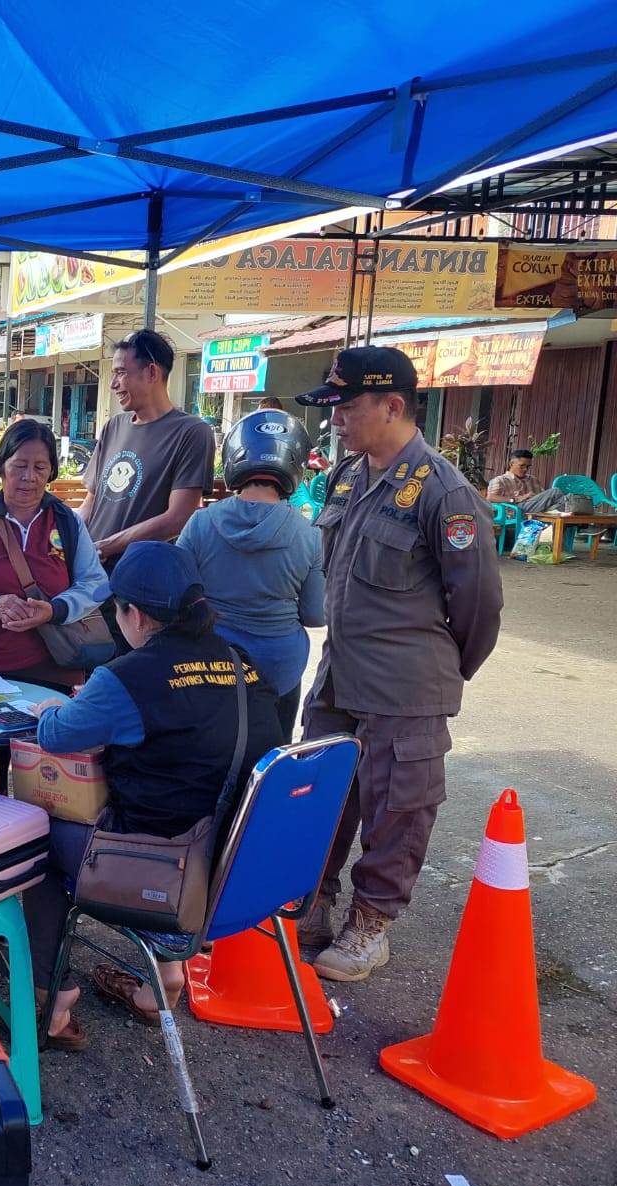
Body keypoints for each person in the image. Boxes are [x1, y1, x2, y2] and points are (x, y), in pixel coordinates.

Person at [295, 346, 503, 982]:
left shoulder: (445, 492)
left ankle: (371, 926)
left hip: (405, 684)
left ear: (392, 405)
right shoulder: (349, 477)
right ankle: (310, 904)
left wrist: (431, 675)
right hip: (341, 674)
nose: (335, 419)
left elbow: (479, 608)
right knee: (319, 793)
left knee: (398, 809)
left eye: (347, 405)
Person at [25, 542, 283, 1048]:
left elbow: (55, 736)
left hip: (163, 870)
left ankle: (53, 1006)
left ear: (134, 614)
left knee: (30, 841)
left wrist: (50, 713)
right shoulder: (241, 661)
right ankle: (159, 982)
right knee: (185, 799)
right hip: (242, 869)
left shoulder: (129, 676)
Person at [177, 409, 325, 736]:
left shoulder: (201, 523)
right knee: (271, 753)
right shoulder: (308, 534)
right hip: (280, 671)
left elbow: (179, 595)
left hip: (209, 665)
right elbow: (315, 614)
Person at [0, 420, 111, 689]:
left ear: (51, 470)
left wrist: (54, 609)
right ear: (1, 467)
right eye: (20, 466)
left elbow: (96, 584)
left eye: (40, 467)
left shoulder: (67, 523)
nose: (29, 477)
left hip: (59, 670)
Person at [82, 329, 215, 570]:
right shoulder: (113, 426)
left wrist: (104, 547)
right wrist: (69, 537)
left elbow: (177, 518)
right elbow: (91, 502)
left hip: (142, 579)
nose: (113, 384)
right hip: (91, 573)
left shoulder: (191, 432)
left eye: (121, 373)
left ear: (152, 372)